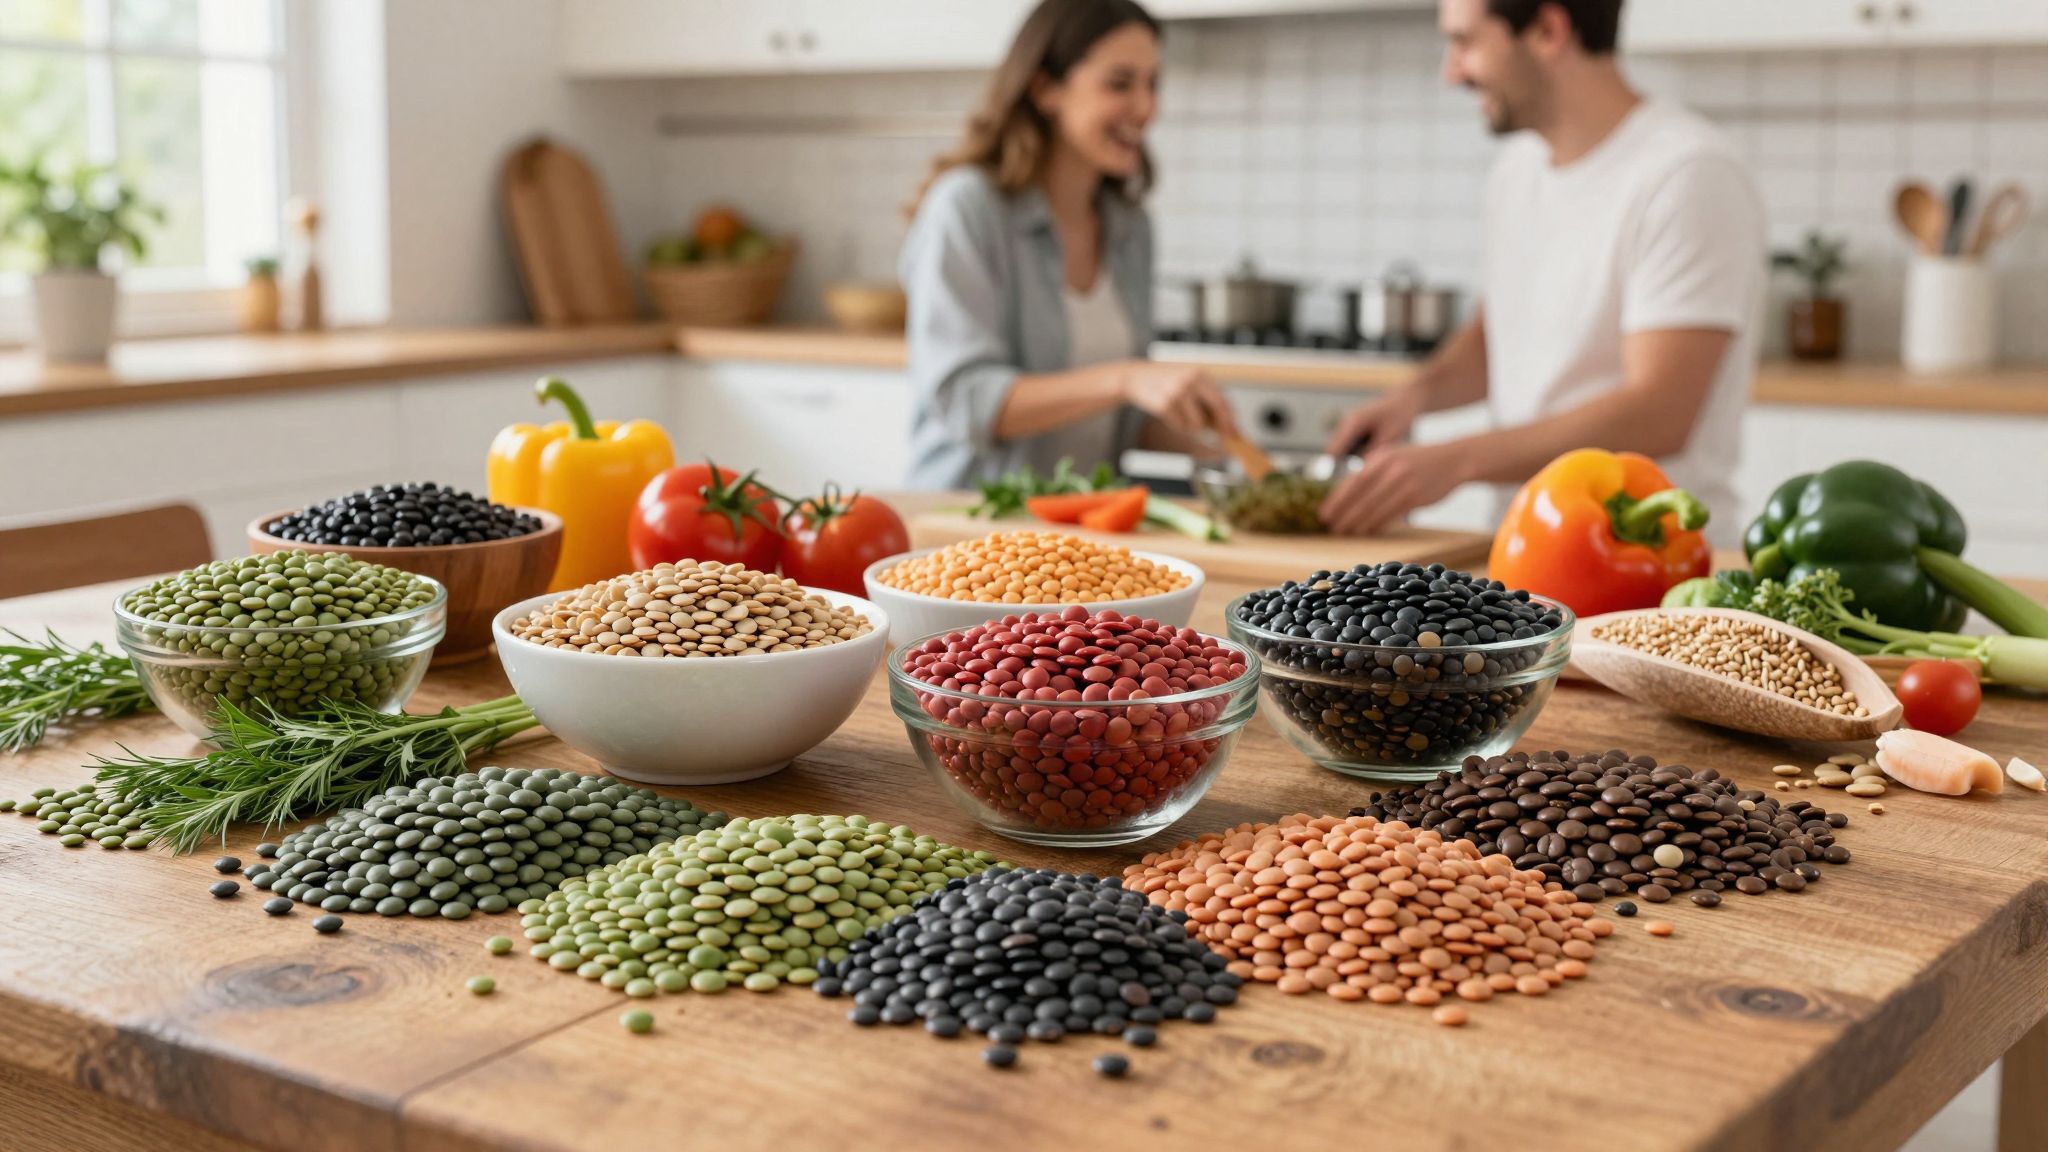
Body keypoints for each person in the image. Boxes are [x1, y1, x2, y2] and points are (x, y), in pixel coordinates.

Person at [1320, 0, 1764, 544]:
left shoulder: (1686, 174)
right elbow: (1493, 341)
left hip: (1648, 560)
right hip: (1525, 547)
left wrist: (1457, 460)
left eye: (1465, 42)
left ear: (1549, 31)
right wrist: (1413, 398)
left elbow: (1660, 410)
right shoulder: (1519, 171)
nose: (1451, 71)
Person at [900, 0, 1239, 490]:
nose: (1146, 109)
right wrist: (1127, 378)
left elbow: (1115, 417)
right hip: (969, 530)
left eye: (1153, 84)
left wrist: (1221, 448)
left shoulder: (1130, 226)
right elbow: (965, 398)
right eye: (1120, 83)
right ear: (1045, 89)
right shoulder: (968, 207)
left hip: (1076, 537)